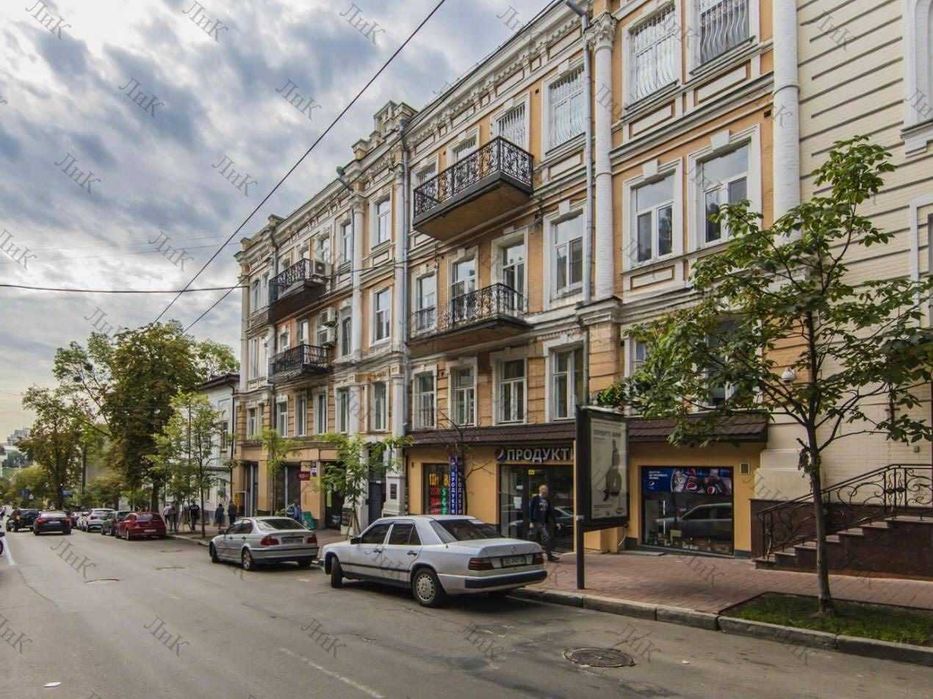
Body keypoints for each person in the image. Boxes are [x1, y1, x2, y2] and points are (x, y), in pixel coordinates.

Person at [528, 484, 559, 562]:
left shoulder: (547, 500)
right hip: (536, 521)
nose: (547, 492)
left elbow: (550, 512)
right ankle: (542, 556)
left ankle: (547, 556)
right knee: (543, 537)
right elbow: (531, 510)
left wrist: (555, 522)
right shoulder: (535, 498)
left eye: (547, 491)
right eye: (546, 491)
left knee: (540, 538)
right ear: (542, 491)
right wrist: (531, 521)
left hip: (543, 522)